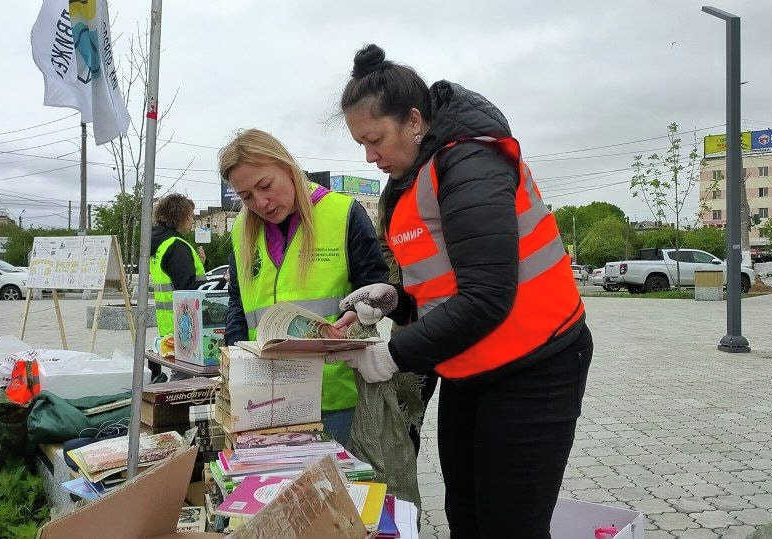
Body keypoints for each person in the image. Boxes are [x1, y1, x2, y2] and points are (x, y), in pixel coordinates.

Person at [331, 44, 592, 538]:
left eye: (375, 138)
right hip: (471, 368)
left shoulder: (472, 161)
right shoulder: (408, 182)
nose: (370, 156)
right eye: (361, 144)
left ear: (413, 120)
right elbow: (440, 287)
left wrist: (394, 355)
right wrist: (393, 300)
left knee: (510, 524)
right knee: (467, 517)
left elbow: (488, 294)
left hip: (538, 364)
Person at [218, 128, 388, 446]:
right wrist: (233, 368)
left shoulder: (343, 213)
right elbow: (238, 305)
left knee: (331, 492)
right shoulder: (243, 228)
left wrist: (359, 313)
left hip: (334, 396)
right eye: (246, 197)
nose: (261, 202)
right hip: (263, 397)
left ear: (288, 166)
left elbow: (375, 289)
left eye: (265, 185)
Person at [150, 193, 207, 377]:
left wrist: (200, 264)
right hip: (187, 324)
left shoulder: (160, 244)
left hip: (170, 322)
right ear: (180, 216)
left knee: (182, 371)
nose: (193, 220)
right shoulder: (177, 245)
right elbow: (188, 289)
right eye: (190, 215)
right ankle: (169, 406)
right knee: (183, 377)